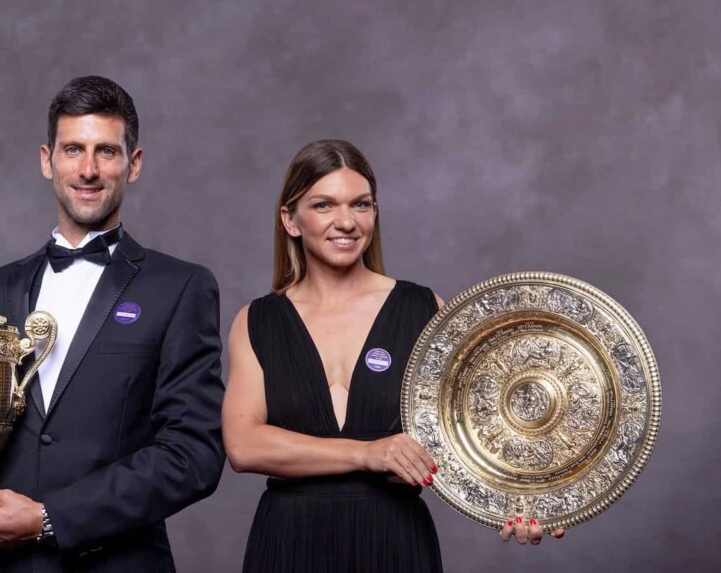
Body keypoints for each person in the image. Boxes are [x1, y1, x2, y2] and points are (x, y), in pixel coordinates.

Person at [0, 76, 225, 573]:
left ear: (133, 165)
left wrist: (50, 518)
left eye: (106, 152)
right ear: (47, 159)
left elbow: (192, 454)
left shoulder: (180, 288)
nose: (88, 169)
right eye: (73, 149)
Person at [222, 139, 563, 573]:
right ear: (291, 219)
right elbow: (244, 445)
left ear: (374, 213)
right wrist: (368, 453)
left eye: (360, 204)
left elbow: (483, 432)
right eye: (324, 205)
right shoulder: (257, 320)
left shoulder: (425, 310)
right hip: (288, 542)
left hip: (394, 540)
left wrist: (525, 498)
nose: (346, 221)